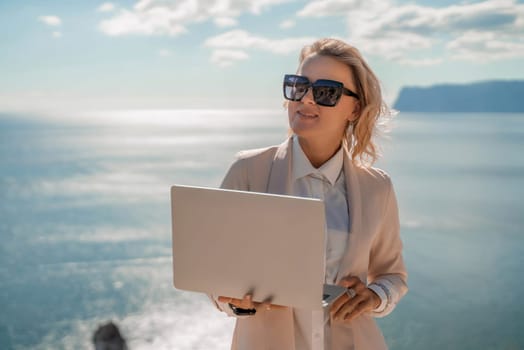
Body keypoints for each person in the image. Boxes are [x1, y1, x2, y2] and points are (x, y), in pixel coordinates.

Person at [210, 38, 408, 350]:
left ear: (355, 108)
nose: (307, 99)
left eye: (326, 91)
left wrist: (375, 296)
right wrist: (237, 303)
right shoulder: (248, 171)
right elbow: (213, 271)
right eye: (298, 86)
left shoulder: (377, 188)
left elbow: (392, 275)